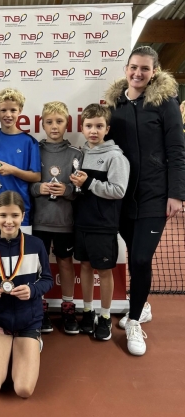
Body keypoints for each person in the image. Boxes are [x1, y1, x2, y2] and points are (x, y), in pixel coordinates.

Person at [104, 46, 185, 355]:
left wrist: (176, 194)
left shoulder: (165, 104)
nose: (138, 73)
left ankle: (135, 320)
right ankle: (143, 303)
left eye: (145, 69)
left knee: (140, 259)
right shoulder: (116, 105)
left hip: (155, 195)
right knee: (132, 252)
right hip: (123, 197)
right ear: (126, 68)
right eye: (134, 67)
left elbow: (177, 150)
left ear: (154, 72)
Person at [0, 191, 53, 398]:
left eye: (14, 215)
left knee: (23, 390)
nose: (9, 221)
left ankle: (33, 341)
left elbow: (47, 279)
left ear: (23, 216)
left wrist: (32, 290)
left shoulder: (36, 245)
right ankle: (5, 346)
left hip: (29, 321)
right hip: (0, 322)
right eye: (3, 215)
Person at [70, 104, 130, 341]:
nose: (93, 131)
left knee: (104, 271)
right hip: (81, 223)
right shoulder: (80, 155)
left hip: (103, 225)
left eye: (99, 126)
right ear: (82, 128)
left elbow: (118, 190)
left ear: (107, 129)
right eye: (89, 126)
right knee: (84, 267)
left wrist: (88, 183)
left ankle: (105, 316)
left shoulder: (116, 157)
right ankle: (88, 311)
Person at [31, 101, 83, 334]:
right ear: (42, 124)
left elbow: (81, 190)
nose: (54, 126)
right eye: (49, 122)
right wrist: (38, 188)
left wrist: (68, 190)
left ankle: (68, 307)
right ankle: (39, 307)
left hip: (64, 222)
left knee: (65, 262)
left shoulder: (76, 154)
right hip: (38, 221)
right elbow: (25, 182)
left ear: (67, 124)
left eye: (59, 121)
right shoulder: (34, 150)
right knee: (38, 265)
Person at [0, 88, 41, 239]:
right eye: (3, 110)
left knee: (22, 253)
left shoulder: (29, 142)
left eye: (13, 110)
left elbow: (36, 176)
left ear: (20, 110)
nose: (8, 115)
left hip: (21, 211)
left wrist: (13, 170)